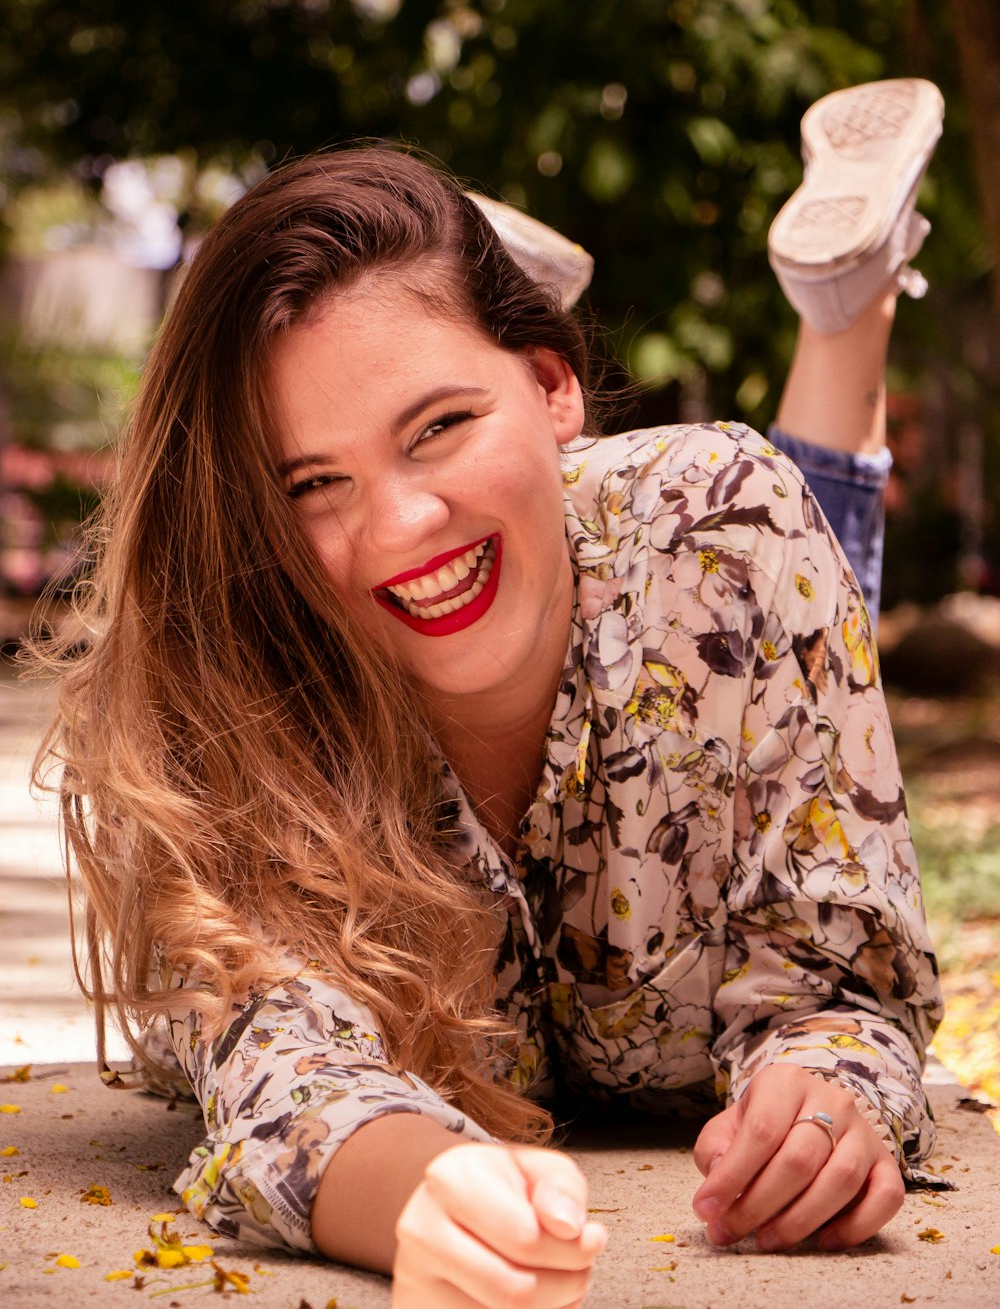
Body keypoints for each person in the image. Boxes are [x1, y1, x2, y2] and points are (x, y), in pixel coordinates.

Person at [36, 79, 944, 1307]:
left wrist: (830, 1099)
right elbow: (285, 1076)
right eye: (312, 483)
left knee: (775, 531)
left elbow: (844, 991)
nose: (396, 524)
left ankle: (836, 307)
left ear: (557, 385)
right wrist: (416, 1192)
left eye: (438, 426)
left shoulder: (723, 528)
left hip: (652, 534)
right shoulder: (225, 687)